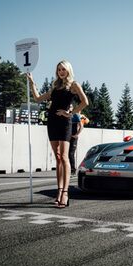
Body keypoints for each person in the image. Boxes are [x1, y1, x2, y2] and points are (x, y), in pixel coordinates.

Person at [27, 60, 88, 208]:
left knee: (65, 157)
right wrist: (32, 83)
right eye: (59, 69)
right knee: (58, 157)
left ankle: (65, 193)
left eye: (63, 69)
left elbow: (85, 102)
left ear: (68, 70)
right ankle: (59, 191)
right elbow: (37, 98)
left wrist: (70, 113)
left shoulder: (74, 85)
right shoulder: (55, 86)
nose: (61, 72)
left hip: (65, 123)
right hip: (52, 122)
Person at [69, 106, 85, 176]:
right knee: (65, 154)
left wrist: (76, 134)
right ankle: (67, 169)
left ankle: (73, 170)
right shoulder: (66, 114)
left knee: (71, 153)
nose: (69, 108)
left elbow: (81, 126)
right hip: (67, 137)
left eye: (71, 107)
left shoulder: (75, 115)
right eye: (69, 106)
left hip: (73, 137)